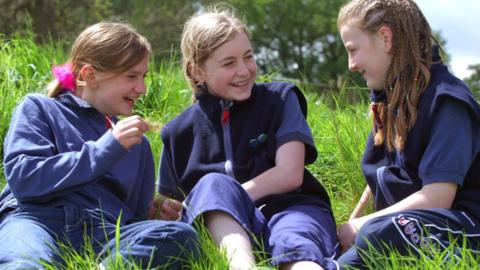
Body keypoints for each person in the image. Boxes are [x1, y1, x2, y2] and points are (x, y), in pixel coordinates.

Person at [150, 7, 340, 270]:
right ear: (196, 72)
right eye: (229, 63)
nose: (244, 70)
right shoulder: (177, 132)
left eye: (248, 57)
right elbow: (170, 208)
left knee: (294, 241)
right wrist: (168, 208)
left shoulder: (281, 99)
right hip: (223, 233)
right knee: (213, 184)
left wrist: (226, 195)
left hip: (293, 209)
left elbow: (290, 174)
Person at [0, 21, 197, 269]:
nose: (142, 88)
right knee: (25, 264)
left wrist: (153, 215)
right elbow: (24, 180)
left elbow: (132, 222)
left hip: (102, 233)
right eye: (131, 76)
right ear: (89, 76)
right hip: (36, 219)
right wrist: (106, 149)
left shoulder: (137, 145)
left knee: (180, 237)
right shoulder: (40, 108)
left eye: (143, 76)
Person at [336, 0, 480, 268]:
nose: (351, 65)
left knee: (377, 232)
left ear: (385, 38)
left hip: (466, 228)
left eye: (353, 50)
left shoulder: (447, 102)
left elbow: (438, 197)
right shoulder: (394, 101)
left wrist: (363, 223)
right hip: (402, 229)